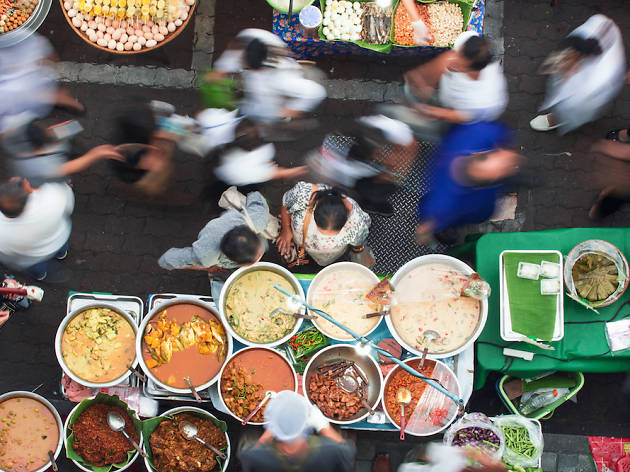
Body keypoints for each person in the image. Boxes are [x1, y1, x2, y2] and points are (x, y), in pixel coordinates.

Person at [415, 121, 524, 246]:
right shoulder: (441, 203)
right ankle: (447, 228)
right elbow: (426, 227)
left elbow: (502, 134)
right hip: (462, 212)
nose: (509, 164)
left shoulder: (481, 134)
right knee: (452, 221)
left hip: (480, 206)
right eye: (502, 172)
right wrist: (425, 232)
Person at [391, 32, 507, 141]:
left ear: (472, 68)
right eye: (458, 54)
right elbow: (446, 59)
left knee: (438, 131)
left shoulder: (486, 100)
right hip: (446, 95)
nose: (454, 60)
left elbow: (458, 116)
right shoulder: (468, 42)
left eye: (461, 62)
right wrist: (422, 80)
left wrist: (429, 112)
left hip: (462, 117)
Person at [530, 14, 625, 134]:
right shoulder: (595, 25)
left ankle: (558, 119)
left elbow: (578, 102)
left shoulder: (600, 78)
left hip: (589, 94)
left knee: (573, 106)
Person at [307, 115, 418, 216]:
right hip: (347, 178)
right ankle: (366, 204)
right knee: (366, 191)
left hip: (356, 169)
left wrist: (400, 171)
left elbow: (411, 144)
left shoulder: (386, 127)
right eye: (377, 154)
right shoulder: (350, 167)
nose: (382, 156)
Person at [158, 190, 271, 277]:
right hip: (211, 236)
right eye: (253, 261)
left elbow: (255, 195)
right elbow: (171, 258)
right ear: (232, 260)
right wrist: (205, 268)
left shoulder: (258, 217)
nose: (258, 260)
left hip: (234, 220)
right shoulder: (206, 255)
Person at [238, 390, 356, 472]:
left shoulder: (257, 458)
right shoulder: (330, 450)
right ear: (306, 424)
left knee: (247, 437)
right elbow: (348, 451)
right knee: (340, 432)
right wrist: (323, 426)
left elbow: (248, 458)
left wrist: (272, 429)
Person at [2, 114, 122, 186]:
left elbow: (61, 129)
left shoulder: (13, 136)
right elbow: (71, 166)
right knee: (59, 180)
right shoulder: (37, 165)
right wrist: (96, 154)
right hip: (43, 177)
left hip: (55, 156)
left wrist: (66, 129)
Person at [0, 32, 84, 133]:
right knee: (39, 132)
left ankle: (72, 110)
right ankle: (71, 114)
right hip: (28, 104)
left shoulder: (13, 39)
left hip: (38, 92)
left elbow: (41, 49)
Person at [276, 182, 372, 267]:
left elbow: (358, 244)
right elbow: (286, 203)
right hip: (300, 244)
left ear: (347, 217)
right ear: (314, 212)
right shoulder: (302, 194)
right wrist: (286, 230)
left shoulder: (358, 221)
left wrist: (360, 253)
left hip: (326, 257)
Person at [0, 178, 74, 281]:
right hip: (56, 240)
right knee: (61, 250)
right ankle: (62, 255)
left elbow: (6, 254)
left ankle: (41, 275)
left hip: (30, 257)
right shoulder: (51, 197)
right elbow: (68, 205)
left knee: (37, 269)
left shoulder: (2, 231)